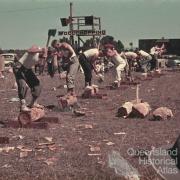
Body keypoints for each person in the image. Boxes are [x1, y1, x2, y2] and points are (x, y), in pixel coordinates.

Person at [13, 45, 45, 111]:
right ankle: (23, 106)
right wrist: (41, 50)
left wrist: (45, 56)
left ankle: (33, 103)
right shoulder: (36, 48)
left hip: (27, 69)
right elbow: (29, 50)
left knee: (37, 85)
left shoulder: (42, 57)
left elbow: (41, 65)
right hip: (19, 67)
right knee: (23, 85)